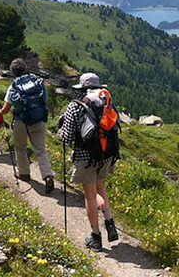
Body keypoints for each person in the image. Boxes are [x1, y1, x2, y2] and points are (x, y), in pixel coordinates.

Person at [58, 72, 120, 251]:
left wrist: (61, 129)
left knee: (90, 195)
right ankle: (109, 223)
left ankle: (96, 236)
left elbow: (67, 137)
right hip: (106, 155)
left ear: (82, 88)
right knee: (100, 188)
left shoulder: (75, 106)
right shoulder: (106, 101)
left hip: (86, 157)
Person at [0, 58, 55, 193]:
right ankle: (47, 176)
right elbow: (44, 101)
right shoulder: (38, 82)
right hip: (39, 120)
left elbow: (6, 109)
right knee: (40, 150)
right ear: (25, 68)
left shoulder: (14, 86)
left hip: (21, 121)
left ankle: (24, 174)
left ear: (13, 72)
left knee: (20, 147)